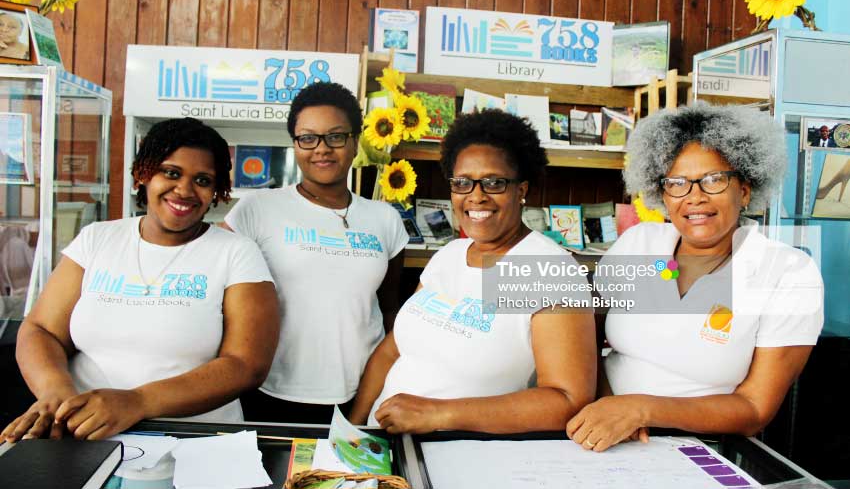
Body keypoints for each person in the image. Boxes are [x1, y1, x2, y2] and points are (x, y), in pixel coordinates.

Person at [1, 118, 279, 442]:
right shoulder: (97, 240)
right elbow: (41, 329)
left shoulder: (236, 253)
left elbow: (246, 365)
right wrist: (56, 393)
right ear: (143, 174)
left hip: (195, 438)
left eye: (202, 180)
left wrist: (138, 402)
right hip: (83, 431)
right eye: (171, 173)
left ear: (217, 191)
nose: (185, 190)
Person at [567, 103, 824, 452]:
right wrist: (608, 406)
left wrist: (640, 410)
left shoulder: (787, 273)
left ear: (745, 190)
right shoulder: (639, 244)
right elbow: (584, 341)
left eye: (714, 180)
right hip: (603, 432)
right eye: (677, 183)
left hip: (703, 448)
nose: (695, 197)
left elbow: (754, 409)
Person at [349, 109, 597, 434]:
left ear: (521, 190)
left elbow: (568, 400)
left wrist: (439, 415)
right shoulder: (449, 256)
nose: (476, 196)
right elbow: (393, 349)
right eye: (463, 183)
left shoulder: (545, 269)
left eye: (494, 182)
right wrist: (353, 430)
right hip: (383, 446)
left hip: (461, 457)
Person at [225, 82, 408, 424]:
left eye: (335, 136)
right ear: (295, 144)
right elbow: (217, 298)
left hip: (361, 393)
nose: (321, 149)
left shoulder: (385, 218)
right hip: (270, 391)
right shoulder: (256, 210)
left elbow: (389, 312)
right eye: (307, 138)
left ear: (355, 142)